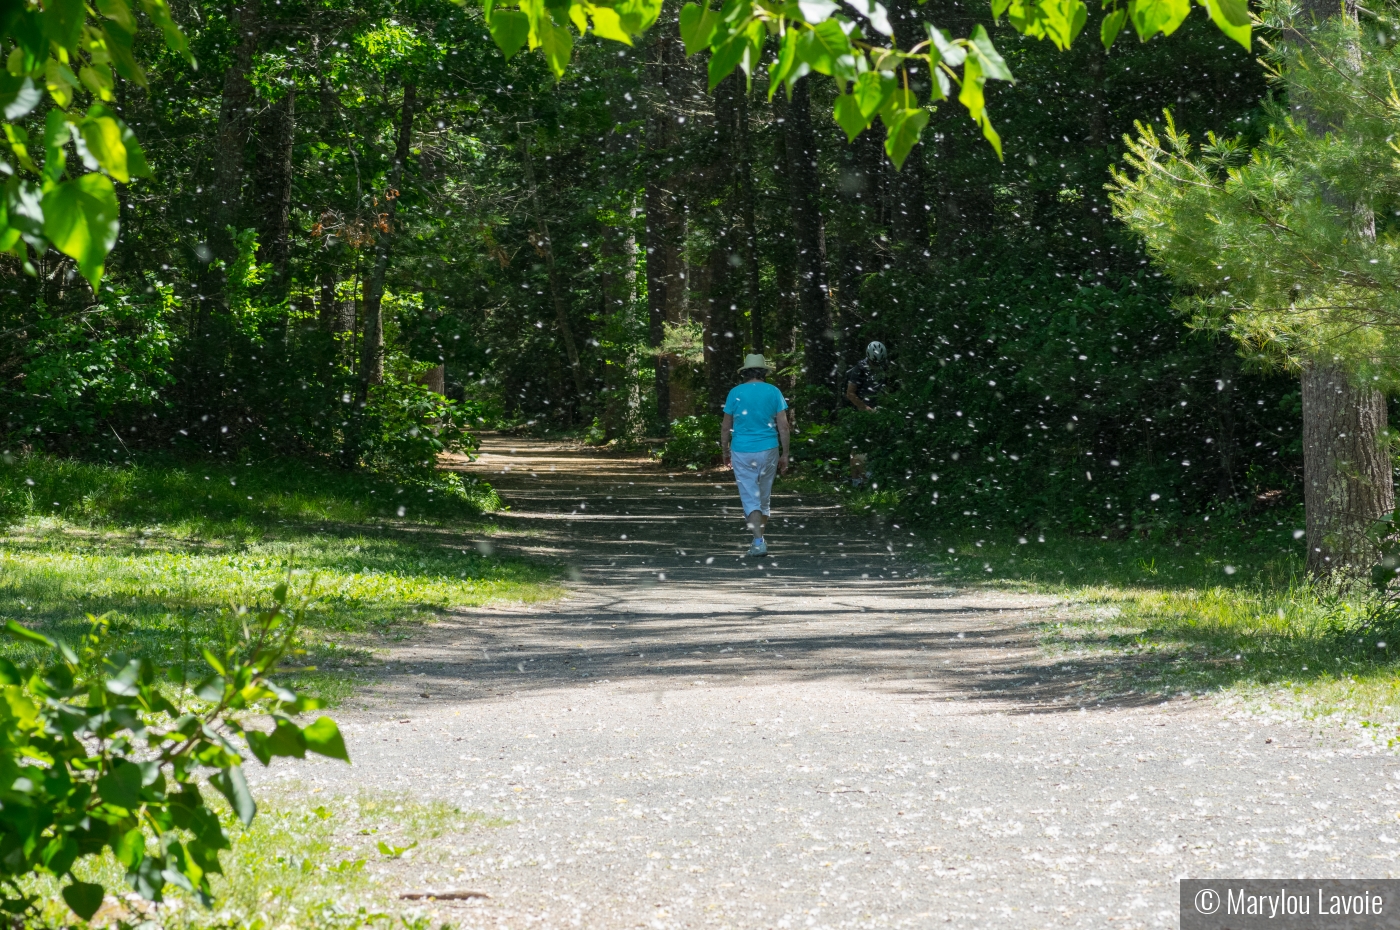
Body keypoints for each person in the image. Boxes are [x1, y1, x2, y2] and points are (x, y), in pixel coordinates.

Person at [720, 354, 790, 558]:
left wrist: (725, 451)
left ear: (745, 373)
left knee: (750, 496)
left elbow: (726, 427)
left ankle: (759, 541)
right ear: (763, 372)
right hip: (768, 448)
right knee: (764, 496)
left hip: (741, 449)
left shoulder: (735, 393)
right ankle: (759, 539)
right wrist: (785, 454)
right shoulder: (774, 392)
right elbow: (784, 426)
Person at [844, 341, 888, 484]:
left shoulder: (884, 366)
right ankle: (857, 481)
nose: (876, 365)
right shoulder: (860, 369)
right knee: (859, 446)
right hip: (860, 411)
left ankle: (870, 478)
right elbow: (850, 393)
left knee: (874, 445)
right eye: (874, 363)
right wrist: (865, 408)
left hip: (878, 411)